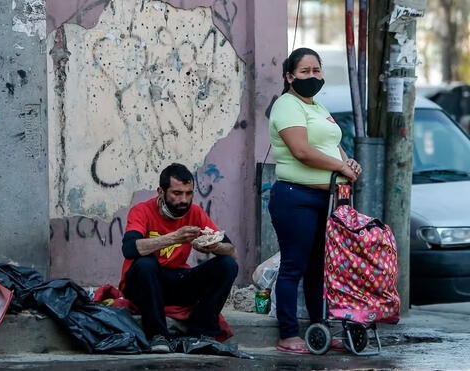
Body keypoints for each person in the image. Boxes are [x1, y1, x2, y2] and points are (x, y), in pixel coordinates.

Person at [267, 47, 362, 354]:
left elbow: (334, 147)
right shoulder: (287, 105)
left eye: (316, 70)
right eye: (305, 71)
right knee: (294, 266)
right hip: (296, 198)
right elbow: (302, 151)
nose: (312, 76)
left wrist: (350, 163)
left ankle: (318, 327)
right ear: (289, 77)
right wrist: (340, 166)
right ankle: (288, 334)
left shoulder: (318, 107)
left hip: (329, 199)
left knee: (320, 268)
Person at [119, 163, 238, 353]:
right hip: (144, 284)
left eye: (189, 193)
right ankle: (158, 335)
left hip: (176, 280)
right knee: (145, 263)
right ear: (161, 191)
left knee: (227, 265)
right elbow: (130, 249)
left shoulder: (195, 213)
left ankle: (200, 333)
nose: (184, 200)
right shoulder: (142, 211)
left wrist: (213, 246)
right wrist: (174, 237)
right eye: (176, 193)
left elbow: (232, 250)